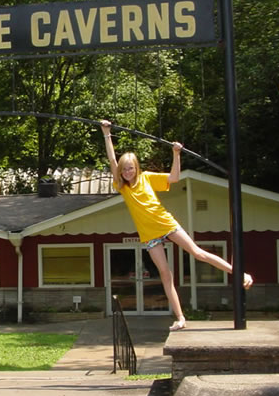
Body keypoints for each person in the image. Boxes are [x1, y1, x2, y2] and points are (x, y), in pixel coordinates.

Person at [100, 120, 253, 331]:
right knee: (165, 274)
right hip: (149, 235)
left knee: (198, 253)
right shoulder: (122, 187)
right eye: (124, 169)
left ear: (136, 168)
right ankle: (180, 318)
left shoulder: (147, 178)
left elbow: (174, 177)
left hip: (167, 224)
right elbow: (111, 158)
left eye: (130, 168)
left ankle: (240, 274)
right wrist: (107, 134)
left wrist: (176, 153)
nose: (127, 172)